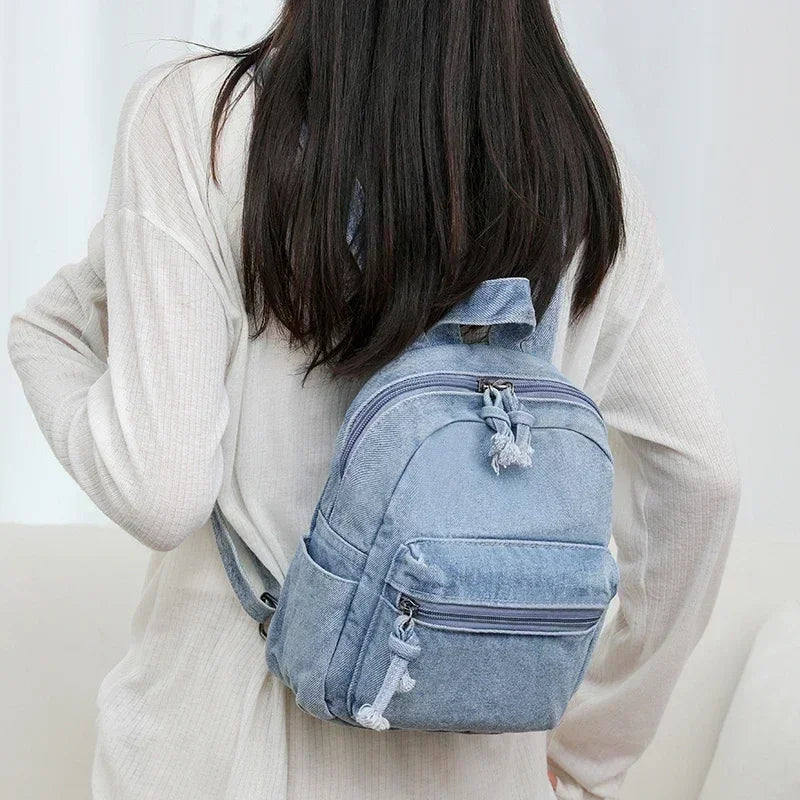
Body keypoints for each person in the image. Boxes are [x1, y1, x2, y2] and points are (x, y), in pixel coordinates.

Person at [6, 2, 741, 798]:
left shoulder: (204, 123)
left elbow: (160, 489)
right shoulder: (578, 174)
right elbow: (701, 479)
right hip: (484, 770)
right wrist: (589, 747)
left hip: (218, 758)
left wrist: (44, 334)